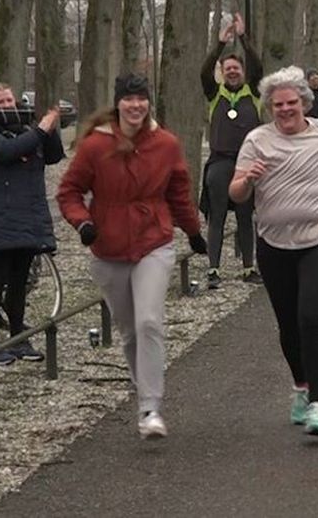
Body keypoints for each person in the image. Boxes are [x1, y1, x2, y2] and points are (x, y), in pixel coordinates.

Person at [58, 73, 207, 440]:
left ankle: (150, 407)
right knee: (128, 332)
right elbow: (69, 193)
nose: (136, 106)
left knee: (149, 322)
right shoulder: (95, 146)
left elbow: (178, 194)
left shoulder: (166, 144)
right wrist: (83, 223)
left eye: (142, 99)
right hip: (108, 248)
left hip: (153, 241)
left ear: (148, 103)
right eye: (129, 100)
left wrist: (193, 231)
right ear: (118, 103)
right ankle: (144, 393)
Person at [229, 66, 318, 437]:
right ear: (269, 107)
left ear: (304, 103)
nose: (286, 109)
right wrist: (248, 179)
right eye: (278, 104)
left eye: (292, 102)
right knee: (289, 325)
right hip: (275, 244)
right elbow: (236, 194)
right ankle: (301, 387)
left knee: (310, 315)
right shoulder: (257, 140)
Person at [0, 82, 64, 365]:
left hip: (26, 213)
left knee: (20, 280)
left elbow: (53, 155)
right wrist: (40, 130)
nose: (8, 105)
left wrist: (50, 128)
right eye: (1, 101)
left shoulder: (26, 128)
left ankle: (16, 336)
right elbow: (7, 151)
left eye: (11, 99)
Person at [200, 13, 263, 289]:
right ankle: (213, 269)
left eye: (236, 68)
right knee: (217, 218)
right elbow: (204, 72)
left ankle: (249, 268)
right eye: (228, 69)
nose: (233, 72)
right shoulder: (215, 95)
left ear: (242, 70)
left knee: (245, 217)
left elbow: (259, 66)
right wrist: (219, 45)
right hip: (220, 164)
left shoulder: (254, 92)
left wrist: (243, 39)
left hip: (246, 164)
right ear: (223, 72)